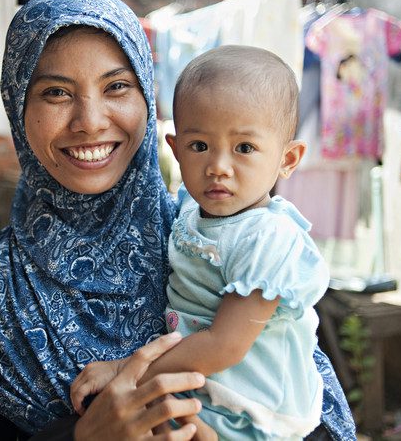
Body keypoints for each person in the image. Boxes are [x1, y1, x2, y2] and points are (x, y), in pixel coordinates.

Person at [0, 0, 356, 441]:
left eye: (117, 86)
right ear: (18, 105)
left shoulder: (214, 239)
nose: (91, 121)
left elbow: (312, 410)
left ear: (148, 101)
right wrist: (83, 437)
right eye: (56, 92)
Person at [71, 45, 333, 440]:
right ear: (175, 150)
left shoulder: (267, 237)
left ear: (288, 158)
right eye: (199, 146)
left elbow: (225, 344)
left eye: (244, 148)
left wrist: (127, 371)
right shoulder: (189, 213)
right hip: (204, 389)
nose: (218, 167)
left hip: (256, 406)